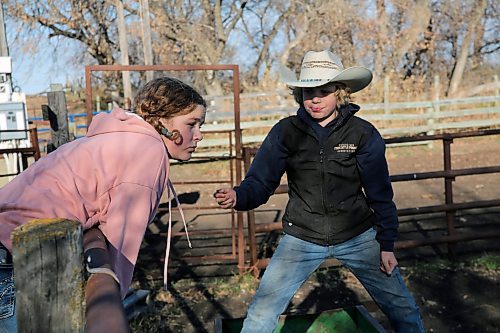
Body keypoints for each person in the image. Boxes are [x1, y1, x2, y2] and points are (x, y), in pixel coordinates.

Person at [214, 50, 425, 333]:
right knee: (261, 312)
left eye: (324, 91)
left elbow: (380, 192)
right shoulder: (285, 132)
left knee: (402, 309)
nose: (315, 98)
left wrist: (386, 244)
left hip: (358, 235)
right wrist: (239, 196)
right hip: (301, 236)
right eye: (308, 91)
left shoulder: (362, 133)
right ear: (299, 94)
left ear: (340, 92)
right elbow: (261, 180)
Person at [0, 76, 206, 332]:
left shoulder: (120, 139)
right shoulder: (147, 152)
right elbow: (121, 239)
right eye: (192, 124)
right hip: (13, 255)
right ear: (162, 121)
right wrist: (108, 304)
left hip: (15, 242)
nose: (199, 135)